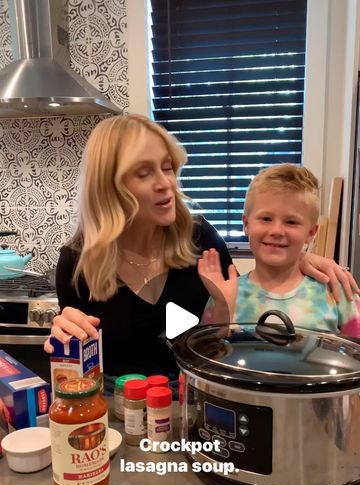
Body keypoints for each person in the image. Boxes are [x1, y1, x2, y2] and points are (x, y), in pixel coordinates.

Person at [44, 116, 359, 386]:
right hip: (118, 412)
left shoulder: (200, 239)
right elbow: (78, 364)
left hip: (196, 402)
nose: (166, 183)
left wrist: (301, 256)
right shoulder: (76, 263)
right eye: (144, 173)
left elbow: (234, 307)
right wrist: (65, 339)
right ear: (108, 186)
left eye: (167, 168)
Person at [198, 163, 360, 336]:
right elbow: (207, 356)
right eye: (266, 218)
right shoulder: (225, 294)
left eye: (291, 222)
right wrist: (223, 306)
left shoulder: (336, 292)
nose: (276, 231)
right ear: (246, 224)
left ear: (311, 232)